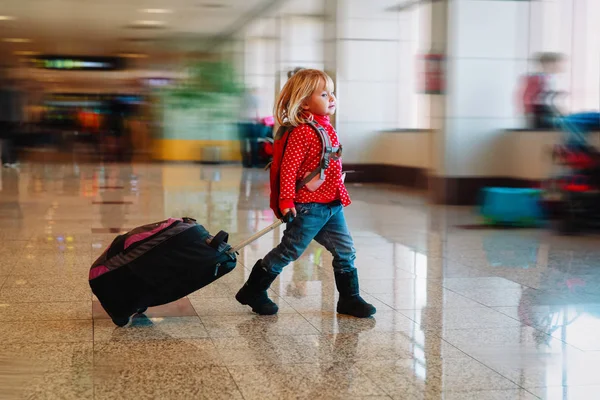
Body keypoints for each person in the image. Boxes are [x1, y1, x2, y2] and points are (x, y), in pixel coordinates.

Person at [234, 69, 376, 318]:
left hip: (331, 205)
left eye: (332, 92)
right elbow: (288, 169)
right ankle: (253, 290)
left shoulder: (324, 126)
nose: (331, 98)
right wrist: (286, 200)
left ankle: (350, 299)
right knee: (290, 250)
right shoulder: (302, 132)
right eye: (324, 93)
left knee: (345, 250)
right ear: (304, 101)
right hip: (309, 207)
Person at [521, 52, 564, 129]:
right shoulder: (537, 79)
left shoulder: (549, 78)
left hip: (545, 112)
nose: (559, 66)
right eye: (557, 64)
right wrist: (528, 113)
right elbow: (528, 98)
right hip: (539, 114)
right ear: (547, 64)